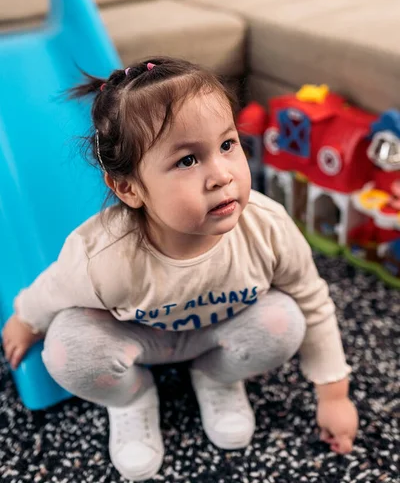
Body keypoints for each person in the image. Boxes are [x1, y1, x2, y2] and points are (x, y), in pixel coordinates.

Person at [1, 57, 358, 481]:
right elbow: (55, 289)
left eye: (228, 145)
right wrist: (25, 318)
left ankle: (216, 376)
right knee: (65, 347)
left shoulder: (267, 226)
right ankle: (132, 398)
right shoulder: (105, 256)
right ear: (129, 188)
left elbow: (312, 298)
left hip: (216, 335)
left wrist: (334, 394)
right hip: (140, 339)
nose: (222, 175)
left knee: (287, 319)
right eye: (188, 161)